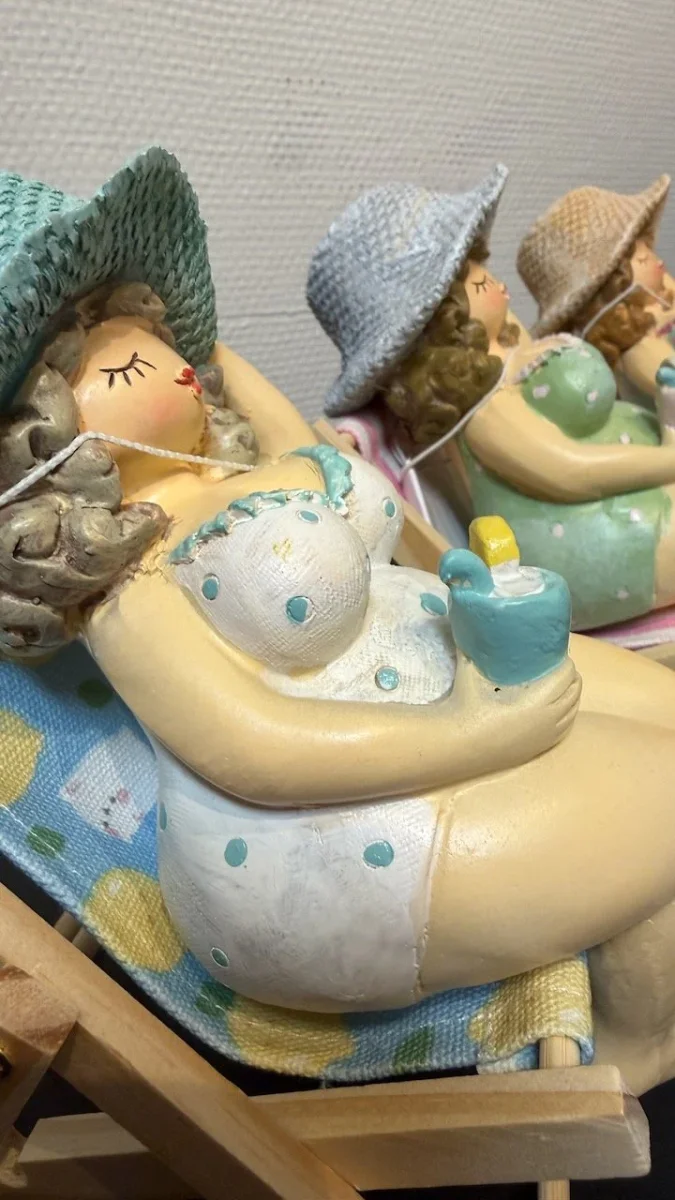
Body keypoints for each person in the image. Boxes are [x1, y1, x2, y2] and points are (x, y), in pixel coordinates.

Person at [3, 150, 675, 1092]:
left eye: (161, 341)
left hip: (434, 675)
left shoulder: (229, 467)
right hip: (331, 840)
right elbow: (252, 749)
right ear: (39, 428)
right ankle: (636, 1049)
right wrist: (470, 735)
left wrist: (174, 318)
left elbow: (283, 429)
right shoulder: (130, 579)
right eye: (130, 364)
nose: (183, 371)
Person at [308, 168, 675, 633]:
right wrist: (669, 457)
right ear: (444, 319)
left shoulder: (507, 354)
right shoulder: (487, 411)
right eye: (479, 284)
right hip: (588, 540)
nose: (501, 287)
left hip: (625, 497)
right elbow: (570, 471)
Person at [517, 175, 675, 407]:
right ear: (616, 286)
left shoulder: (661, 293)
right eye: (643, 259)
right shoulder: (638, 350)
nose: (658, 262)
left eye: (649, 250)